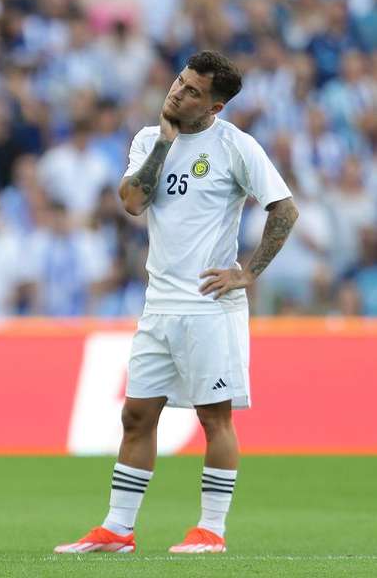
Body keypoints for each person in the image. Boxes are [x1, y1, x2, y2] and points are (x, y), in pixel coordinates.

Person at [54, 51, 298, 555]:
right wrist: (164, 143)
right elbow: (132, 201)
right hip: (158, 304)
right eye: (178, 83)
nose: (177, 93)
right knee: (137, 417)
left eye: (191, 91)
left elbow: (285, 209)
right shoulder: (149, 139)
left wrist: (248, 272)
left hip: (210, 306)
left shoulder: (234, 146)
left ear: (216, 106)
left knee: (215, 419)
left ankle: (212, 529)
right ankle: (119, 529)